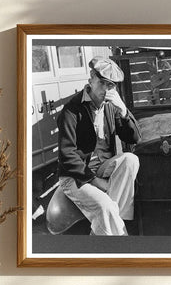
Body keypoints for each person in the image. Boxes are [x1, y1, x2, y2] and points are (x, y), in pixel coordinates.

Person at [57, 56, 141, 235]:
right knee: (105, 206)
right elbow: (67, 155)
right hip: (75, 177)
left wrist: (124, 111)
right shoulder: (71, 110)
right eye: (102, 82)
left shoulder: (110, 107)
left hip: (102, 167)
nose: (106, 89)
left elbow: (134, 138)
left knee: (131, 159)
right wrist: (94, 181)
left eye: (111, 85)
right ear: (91, 79)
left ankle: (103, 232)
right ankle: (120, 243)